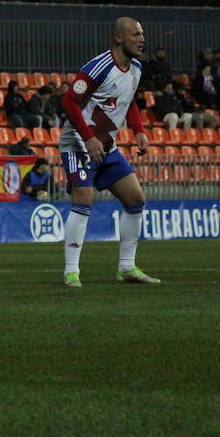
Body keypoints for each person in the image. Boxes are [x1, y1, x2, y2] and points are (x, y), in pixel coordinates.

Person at [58, 17, 159, 287]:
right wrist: (88, 138)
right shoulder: (98, 67)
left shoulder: (136, 68)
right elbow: (68, 101)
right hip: (79, 144)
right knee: (84, 198)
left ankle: (127, 267)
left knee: (135, 198)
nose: (142, 39)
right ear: (118, 38)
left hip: (106, 147)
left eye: (142, 33)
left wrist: (138, 130)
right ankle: (71, 272)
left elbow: (130, 101)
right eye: (135, 34)